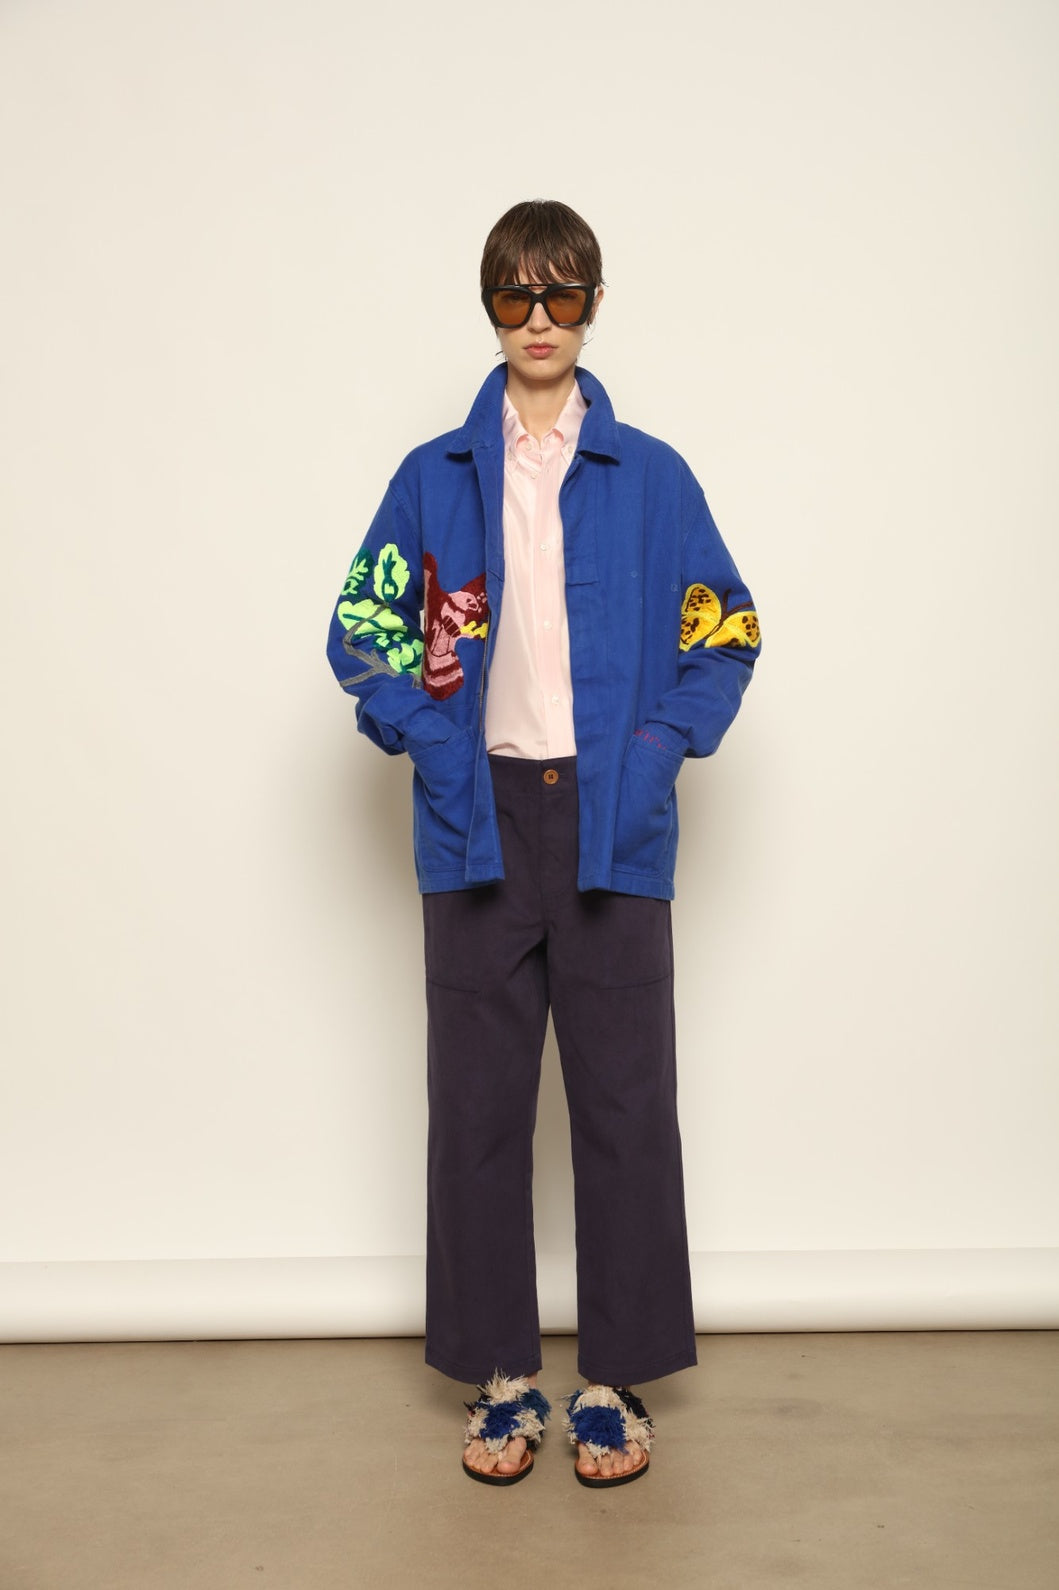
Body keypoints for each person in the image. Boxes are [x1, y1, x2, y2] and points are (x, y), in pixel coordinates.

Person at [326, 199, 760, 1488]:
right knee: (476, 1108)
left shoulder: (654, 477)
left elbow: (726, 630)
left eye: (561, 295)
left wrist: (660, 746)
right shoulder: (434, 477)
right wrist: (432, 740)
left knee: (626, 1105)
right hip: (477, 820)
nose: (537, 320)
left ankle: (613, 1382)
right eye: (515, 295)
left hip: (612, 818)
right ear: (490, 308)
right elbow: (362, 632)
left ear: (593, 307)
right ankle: (504, 1381)